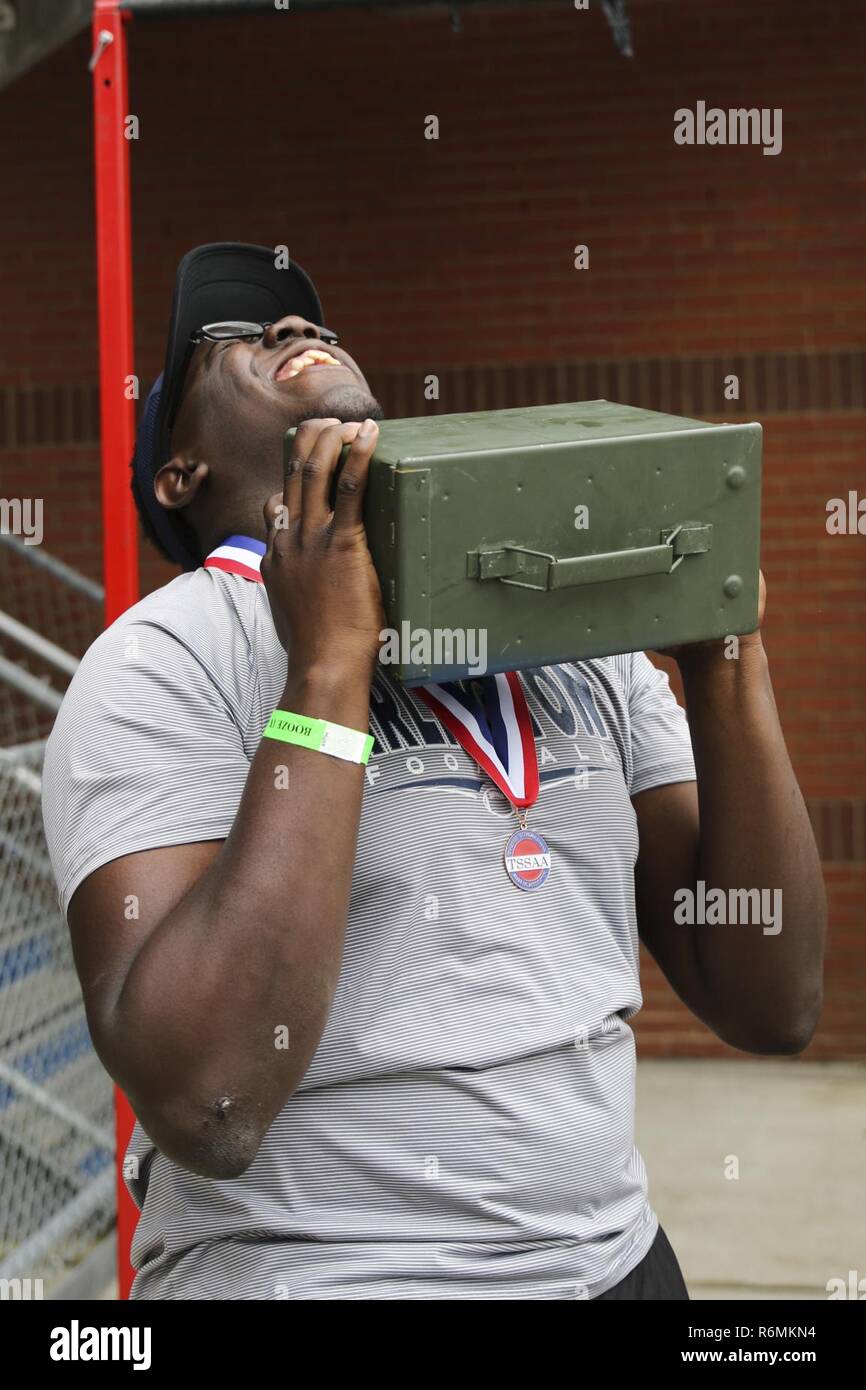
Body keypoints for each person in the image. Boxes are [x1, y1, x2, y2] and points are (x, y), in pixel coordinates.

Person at [41, 242, 825, 1300]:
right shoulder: (161, 659)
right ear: (178, 472)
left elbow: (769, 998)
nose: (294, 330)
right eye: (230, 338)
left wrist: (727, 657)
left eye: (312, 323)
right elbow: (209, 1101)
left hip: (616, 1269)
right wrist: (326, 669)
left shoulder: (572, 635)